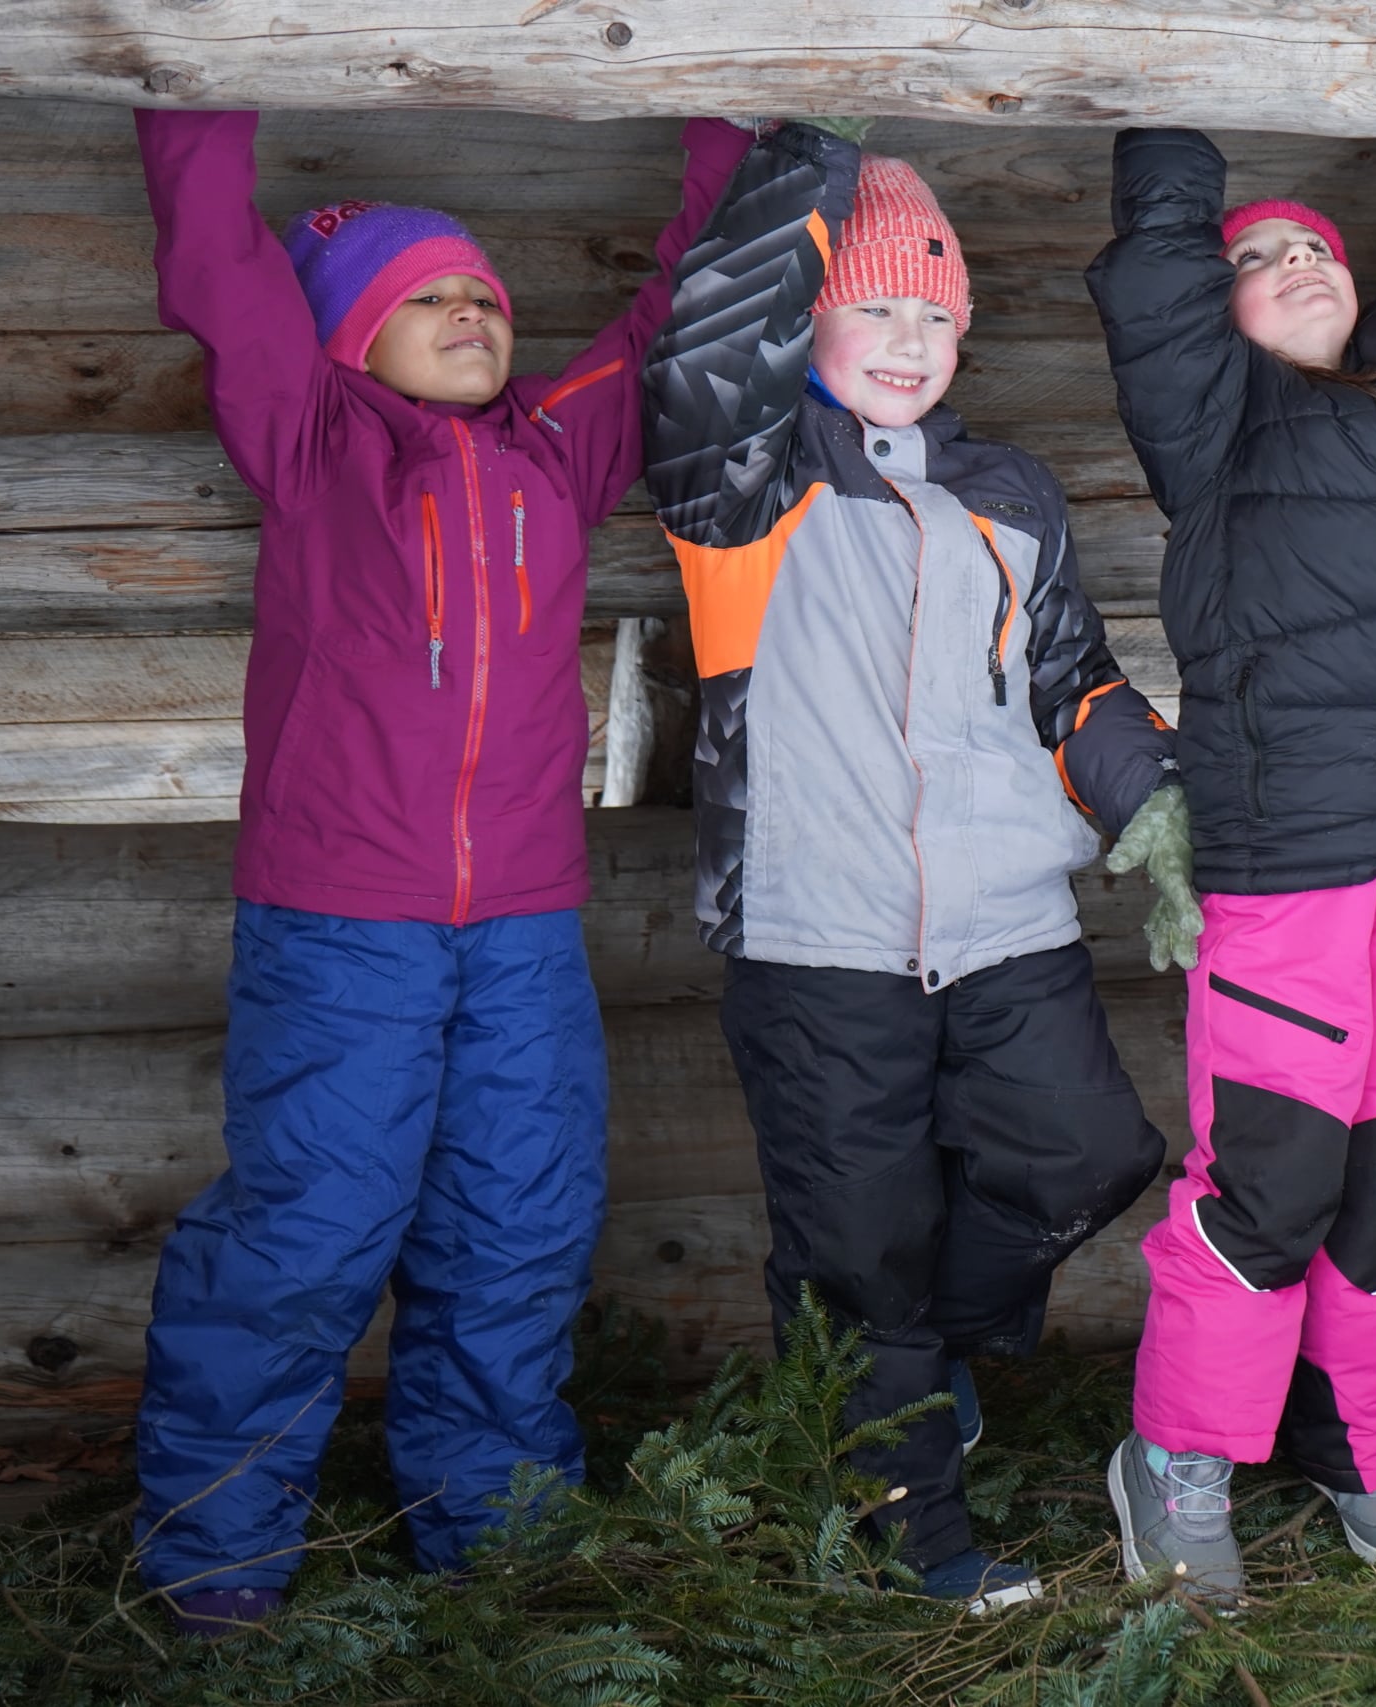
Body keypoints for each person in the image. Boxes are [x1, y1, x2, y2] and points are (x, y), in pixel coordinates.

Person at [127, 108, 754, 1638]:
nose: (474, 312)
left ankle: (496, 1524)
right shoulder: (315, 438)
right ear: (348, 339)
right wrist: (193, 80)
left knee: (520, 1217)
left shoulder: (555, 446)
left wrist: (735, 126)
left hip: (526, 926)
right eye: (429, 296)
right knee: (309, 1228)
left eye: (484, 292)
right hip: (344, 924)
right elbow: (220, 265)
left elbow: (682, 303)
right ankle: (216, 1557)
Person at [642, 125, 1189, 1614]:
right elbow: (703, 354)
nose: (909, 341)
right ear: (810, 315)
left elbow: (1074, 682)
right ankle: (915, 1530)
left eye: (935, 313)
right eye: (875, 305)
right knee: (859, 1249)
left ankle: (920, 1354)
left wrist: (1162, 809)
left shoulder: (1009, 490)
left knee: (1092, 1152)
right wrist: (810, 155)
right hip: (820, 939)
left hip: (1010, 919)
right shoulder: (745, 490)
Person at [1084, 127, 1376, 1598]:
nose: (1296, 261)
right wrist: (1174, 102)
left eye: (1316, 248)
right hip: (1291, 858)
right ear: (1213, 310)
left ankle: (1364, 1439)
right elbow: (1153, 281)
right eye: (1254, 257)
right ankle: (1178, 1457)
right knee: (1274, 1176)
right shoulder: (1212, 424)